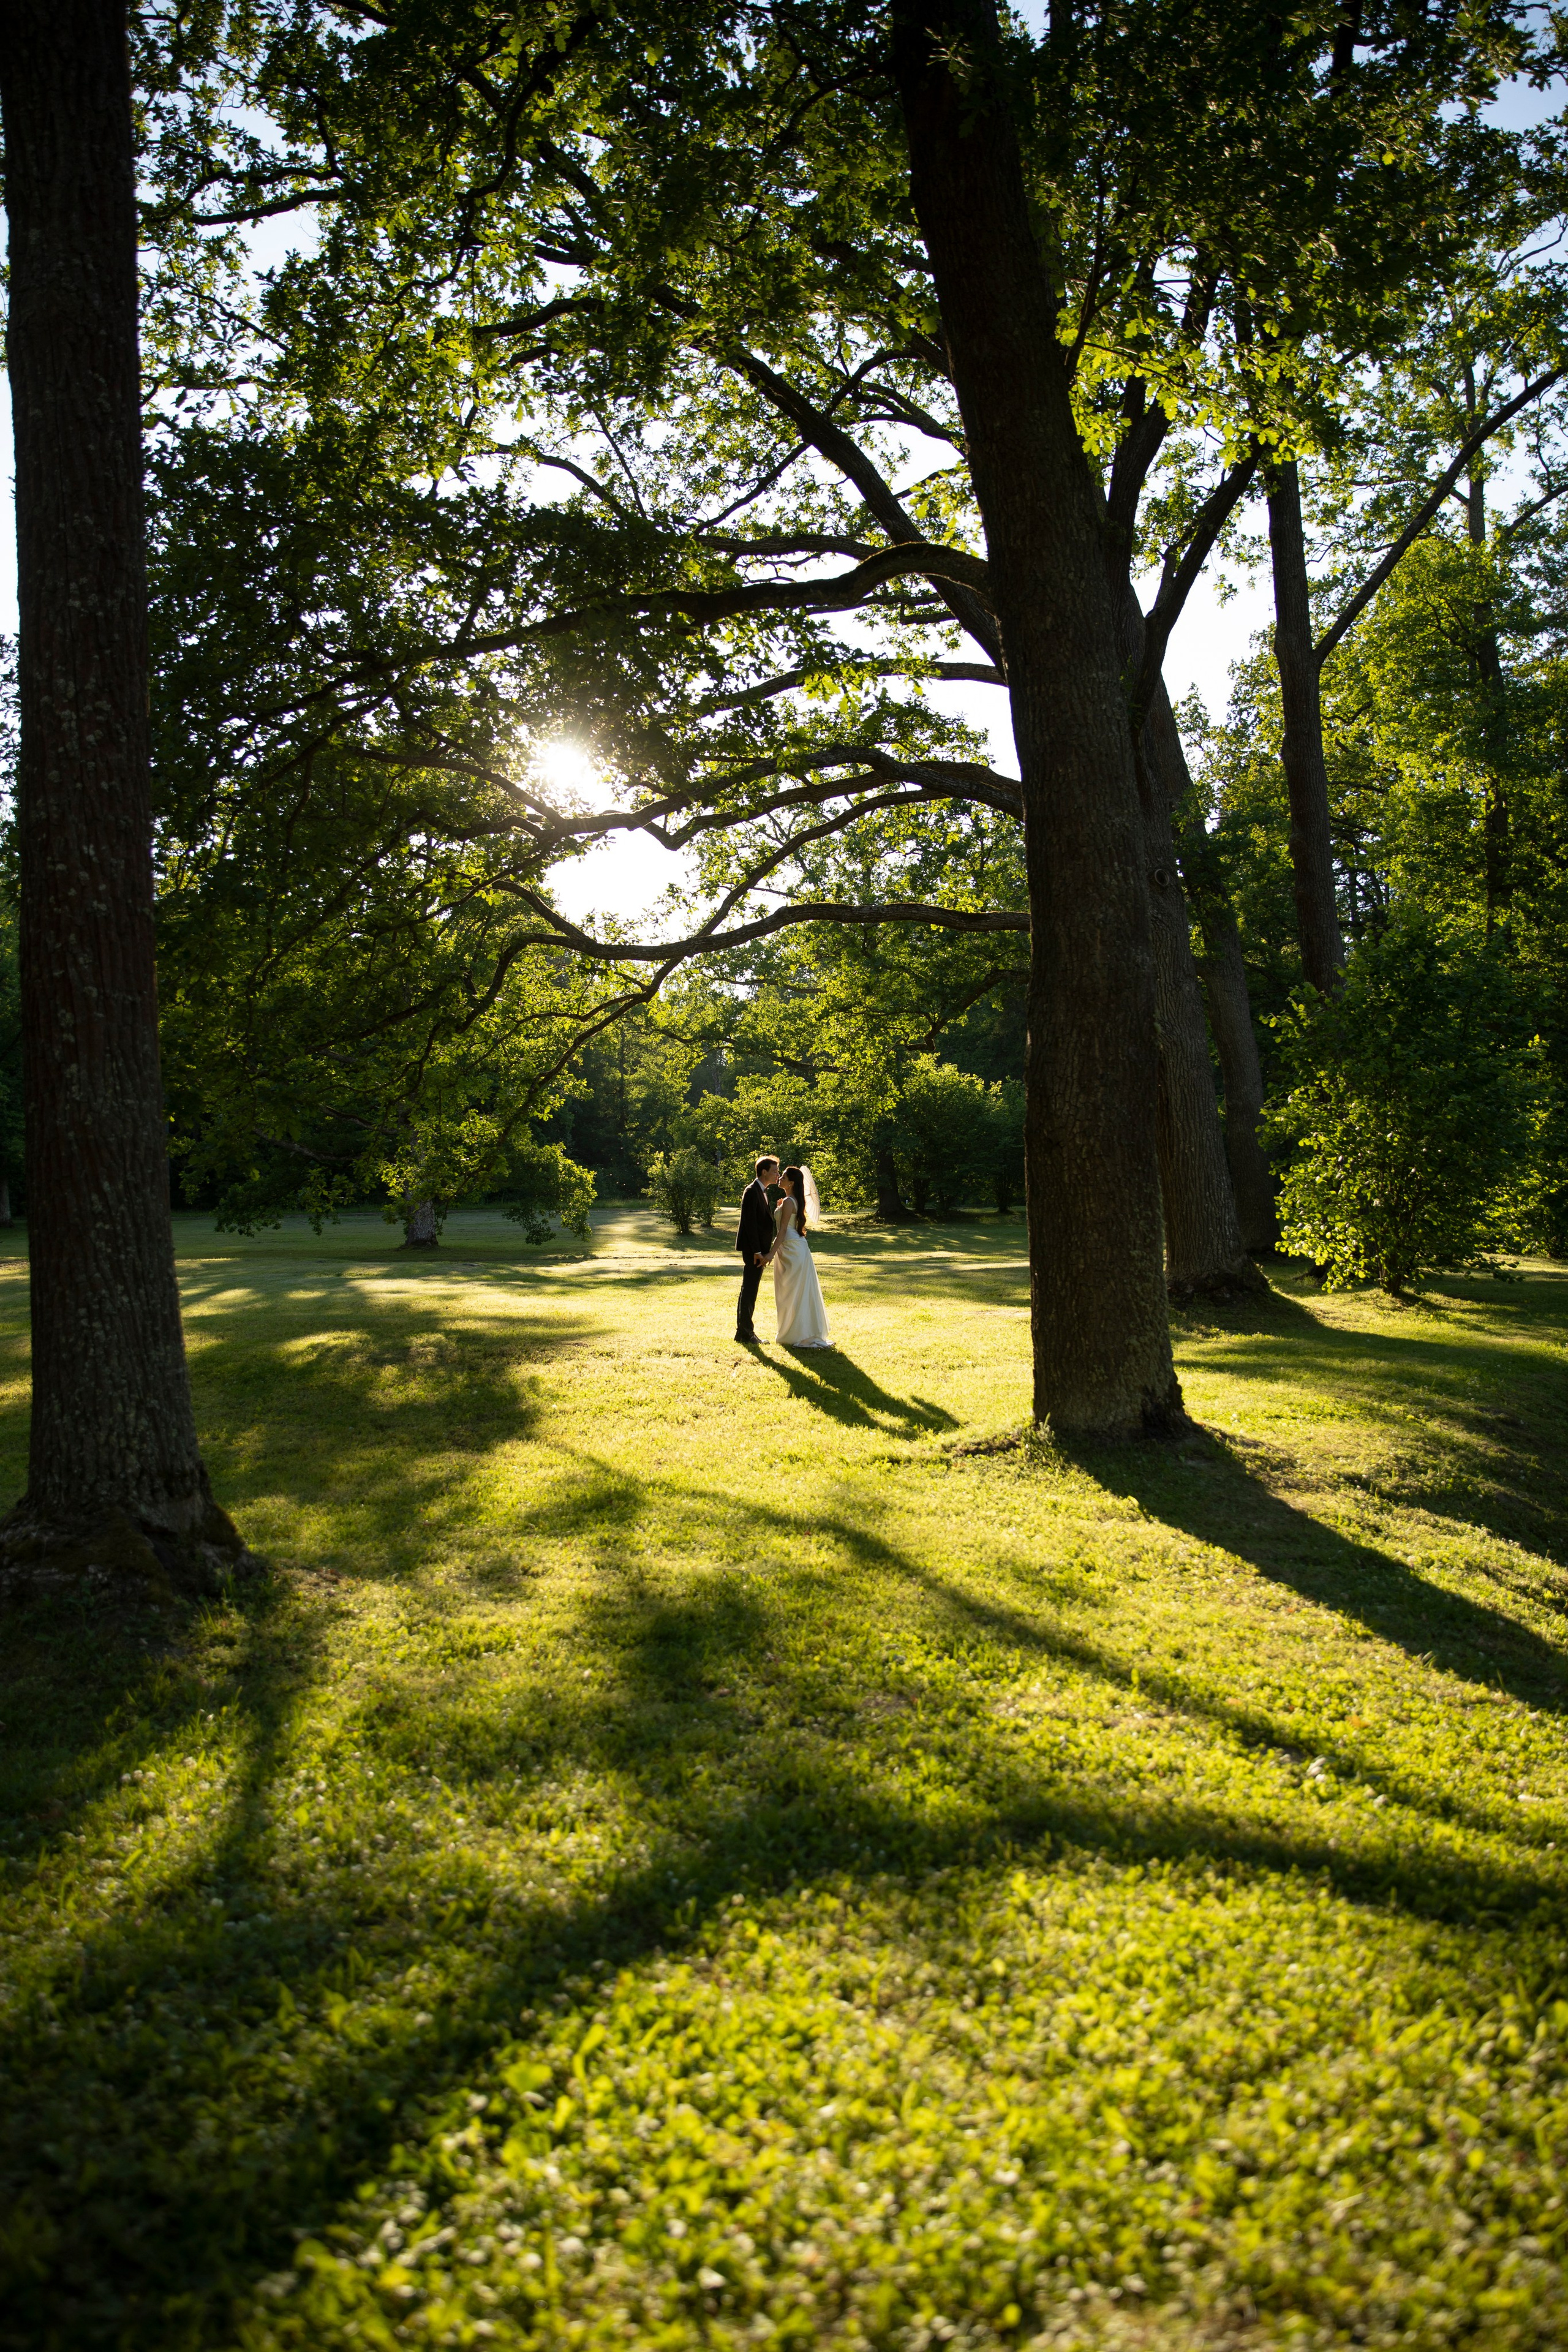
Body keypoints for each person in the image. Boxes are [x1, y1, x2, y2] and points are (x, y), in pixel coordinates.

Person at [766, 1165, 832, 1348]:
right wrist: (780, 1209)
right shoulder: (790, 1201)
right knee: (794, 1292)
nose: (780, 1178)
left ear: (792, 1183)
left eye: (784, 1177)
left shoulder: (789, 1201)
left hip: (790, 1248)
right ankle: (798, 1331)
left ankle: (796, 1333)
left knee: (791, 1292)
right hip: (794, 1247)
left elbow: (782, 1231)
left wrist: (771, 1253)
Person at [733, 1153, 778, 1342]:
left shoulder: (763, 1191)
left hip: (758, 1250)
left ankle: (743, 1332)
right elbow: (750, 1223)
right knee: (750, 1290)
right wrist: (757, 1252)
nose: (778, 1175)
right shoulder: (752, 1191)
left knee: (750, 1289)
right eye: (775, 1171)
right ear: (764, 1172)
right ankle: (746, 1333)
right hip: (754, 1252)